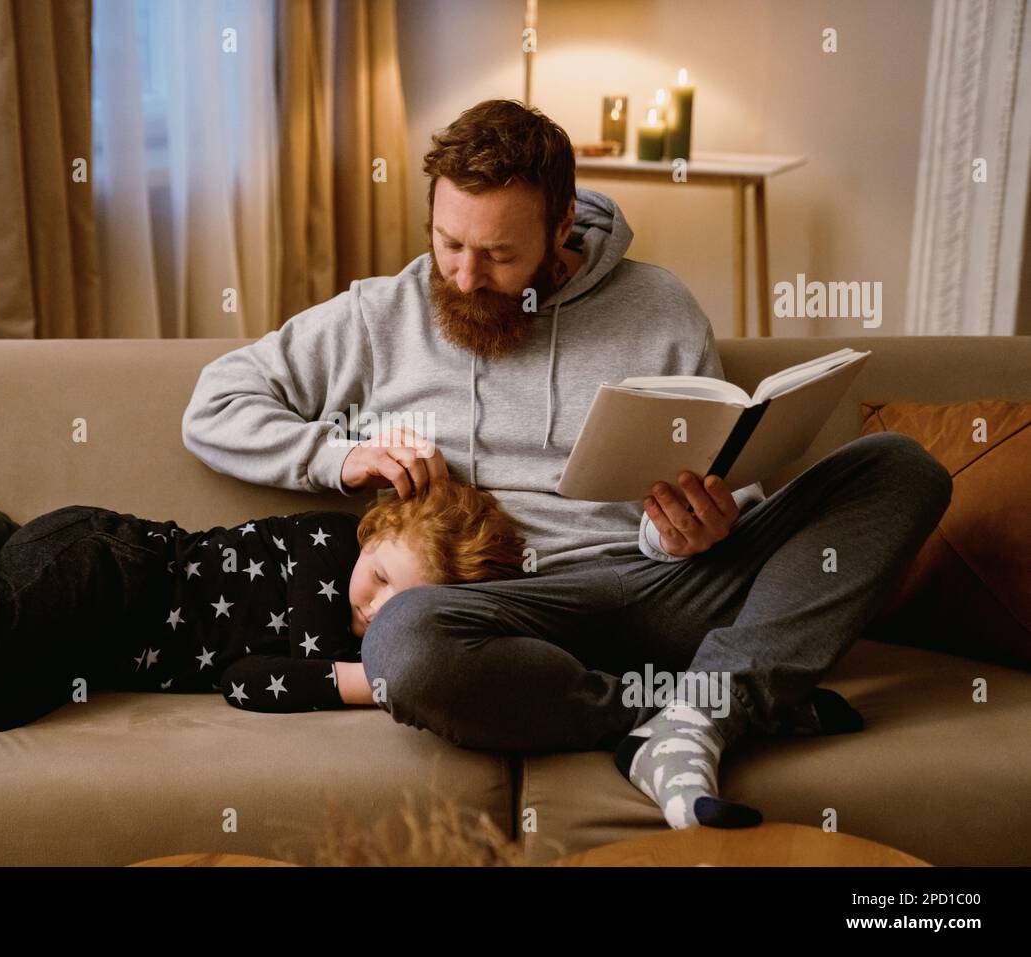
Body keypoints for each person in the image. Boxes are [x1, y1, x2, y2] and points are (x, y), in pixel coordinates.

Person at [181, 98, 953, 830]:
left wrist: (693, 529)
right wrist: (342, 455)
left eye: (498, 253)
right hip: (496, 624)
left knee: (900, 469)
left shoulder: (659, 307)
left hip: (659, 587)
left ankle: (699, 711)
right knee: (402, 644)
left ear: (559, 231)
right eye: (447, 241)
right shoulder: (382, 315)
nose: (463, 276)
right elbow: (213, 405)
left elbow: (723, 477)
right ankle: (698, 710)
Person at [0, 467, 526, 737]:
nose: (375, 610)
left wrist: (377, 668)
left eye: (403, 613)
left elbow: (247, 679)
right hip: (107, 562)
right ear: (377, 528)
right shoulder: (330, 544)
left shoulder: (369, 647)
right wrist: (380, 674)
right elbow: (267, 666)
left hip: (87, 651)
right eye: (382, 577)